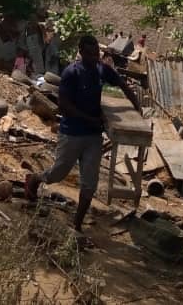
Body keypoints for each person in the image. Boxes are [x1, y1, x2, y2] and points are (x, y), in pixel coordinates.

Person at [25, 35, 143, 246]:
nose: (93, 57)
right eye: (89, 53)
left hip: (93, 137)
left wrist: (136, 105)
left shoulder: (100, 70)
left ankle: (77, 224)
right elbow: (64, 106)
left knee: (89, 184)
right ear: (80, 51)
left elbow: (122, 83)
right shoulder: (72, 73)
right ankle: (35, 179)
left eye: (96, 53)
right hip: (72, 133)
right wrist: (91, 119)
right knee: (57, 173)